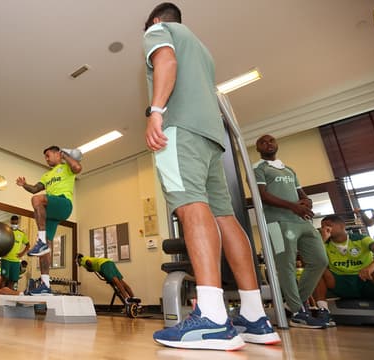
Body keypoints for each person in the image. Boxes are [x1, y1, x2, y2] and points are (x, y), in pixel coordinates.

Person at [142, 3, 279, 350]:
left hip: (181, 131)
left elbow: (166, 62)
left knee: (190, 206)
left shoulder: (158, 31)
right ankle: (254, 317)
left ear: (157, 21)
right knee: (226, 218)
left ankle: (213, 318)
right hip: (211, 138)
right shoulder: (203, 49)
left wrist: (156, 112)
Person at [254, 134, 329, 328]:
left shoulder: (289, 169)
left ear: (276, 144)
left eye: (271, 140)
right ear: (258, 148)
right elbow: (262, 195)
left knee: (320, 260)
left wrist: (307, 202)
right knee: (286, 265)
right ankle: (297, 312)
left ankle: (293, 303)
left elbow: (301, 194)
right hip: (277, 223)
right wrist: (292, 206)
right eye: (263, 142)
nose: (268, 143)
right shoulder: (258, 168)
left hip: (301, 221)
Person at [16, 145, 81, 295]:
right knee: (44, 251)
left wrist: (65, 156)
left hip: (64, 203)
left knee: (37, 200)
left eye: (48, 155)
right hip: (51, 211)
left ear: (58, 154)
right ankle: (45, 284)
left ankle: (41, 241)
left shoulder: (66, 167)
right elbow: (34, 188)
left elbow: (77, 168)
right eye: (44, 157)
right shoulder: (46, 176)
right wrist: (24, 184)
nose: (46, 159)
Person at [313, 214, 374, 323]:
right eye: (322, 227)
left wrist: (372, 266)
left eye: (328, 225)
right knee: (316, 269)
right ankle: (323, 311)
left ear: (342, 226)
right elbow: (312, 261)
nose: (325, 229)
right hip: (341, 283)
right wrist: (322, 241)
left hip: (365, 279)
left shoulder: (360, 239)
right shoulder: (324, 244)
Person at [0, 215, 30, 289]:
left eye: (16, 223)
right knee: (4, 278)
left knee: (13, 280)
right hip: (6, 259)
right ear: (10, 222)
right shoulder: (6, 231)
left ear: (18, 222)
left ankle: (9, 294)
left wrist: (22, 253)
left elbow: (28, 245)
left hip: (16, 261)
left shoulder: (21, 234)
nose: (14, 225)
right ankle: (0, 295)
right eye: (13, 223)